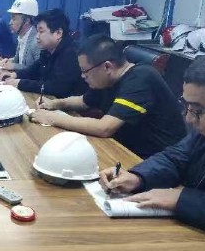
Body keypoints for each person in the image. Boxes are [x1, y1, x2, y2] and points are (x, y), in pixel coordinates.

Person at [99, 51, 205, 239]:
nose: (189, 119)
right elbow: (175, 158)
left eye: (198, 110)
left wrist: (181, 199)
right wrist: (138, 177)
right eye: (186, 106)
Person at [32, 34, 186, 158]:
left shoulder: (141, 78)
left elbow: (105, 128)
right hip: (123, 150)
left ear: (107, 67)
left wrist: (53, 118)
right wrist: (55, 104)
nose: (82, 76)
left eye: (85, 71)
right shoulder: (107, 80)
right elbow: (83, 101)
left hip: (154, 161)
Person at [1, 8, 86, 98]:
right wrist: (15, 75)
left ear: (58, 33)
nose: (37, 36)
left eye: (41, 31)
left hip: (69, 104)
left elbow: (57, 87)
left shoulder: (71, 54)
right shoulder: (48, 49)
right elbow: (34, 69)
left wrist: (20, 83)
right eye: (37, 31)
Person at [0, 0, 41, 71]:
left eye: (14, 19)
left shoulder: (36, 41)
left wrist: (14, 66)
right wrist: (9, 61)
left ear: (27, 21)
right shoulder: (22, 36)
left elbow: (38, 70)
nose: (10, 23)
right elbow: (20, 60)